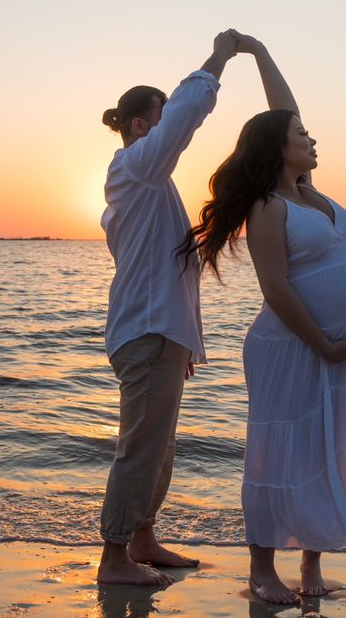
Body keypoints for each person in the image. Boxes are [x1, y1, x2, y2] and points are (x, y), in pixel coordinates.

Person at [178, 33, 346, 605]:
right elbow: (276, 288)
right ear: (279, 148)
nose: (312, 138)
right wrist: (320, 342)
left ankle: (311, 562)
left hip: (338, 350)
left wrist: (261, 51)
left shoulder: (312, 193)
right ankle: (262, 571)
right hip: (291, 345)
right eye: (302, 136)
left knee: (328, 446)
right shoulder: (268, 206)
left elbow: (283, 111)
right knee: (280, 450)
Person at [97, 30, 238, 587]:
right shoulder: (134, 169)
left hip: (161, 332)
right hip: (147, 332)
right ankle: (113, 559)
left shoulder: (148, 185)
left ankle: (143, 538)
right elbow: (184, 114)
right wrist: (219, 59)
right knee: (141, 446)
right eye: (157, 120)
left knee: (160, 444)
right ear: (141, 126)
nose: (167, 131)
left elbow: (169, 268)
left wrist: (185, 340)